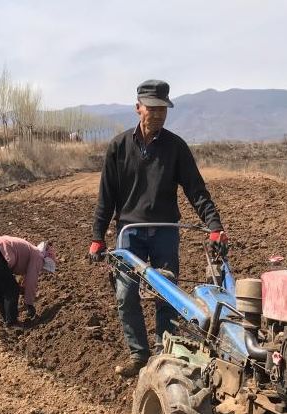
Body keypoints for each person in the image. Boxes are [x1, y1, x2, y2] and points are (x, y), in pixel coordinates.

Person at [88, 79, 226, 377]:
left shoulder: (176, 147)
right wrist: (97, 237)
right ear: (139, 108)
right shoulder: (119, 147)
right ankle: (139, 355)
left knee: (169, 296)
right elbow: (106, 197)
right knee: (126, 295)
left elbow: (196, 191)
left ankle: (166, 354)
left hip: (164, 232)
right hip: (130, 233)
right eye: (153, 108)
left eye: (163, 108)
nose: (159, 114)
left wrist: (214, 225)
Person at [0, 235, 56, 327]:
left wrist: (23, 288)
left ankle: (7, 320)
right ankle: (12, 322)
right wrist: (29, 304)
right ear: (46, 259)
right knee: (12, 289)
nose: (41, 269)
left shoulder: (30, 250)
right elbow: (31, 280)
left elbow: (27, 276)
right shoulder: (38, 256)